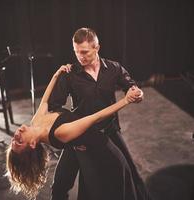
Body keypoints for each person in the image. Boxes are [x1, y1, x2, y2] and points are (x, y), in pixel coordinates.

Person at [5, 64, 142, 200]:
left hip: (89, 145)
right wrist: (126, 100)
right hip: (102, 152)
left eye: (14, 140)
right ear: (33, 144)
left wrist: (57, 74)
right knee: (90, 191)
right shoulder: (60, 133)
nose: (16, 134)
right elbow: (96, 117)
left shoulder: (36, 121)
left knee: (91, 190)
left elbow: (46, 98)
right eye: (20, 141)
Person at [48, 27, 150, 200]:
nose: (80, 56)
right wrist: (71, 131)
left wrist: (137, 94)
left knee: (131, 172)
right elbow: (54, 107)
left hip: (109, 130)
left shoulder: (113, 68)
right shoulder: (70, 74)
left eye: (85, 52)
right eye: (76, 52)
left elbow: (132, 87)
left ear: (97, 48)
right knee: (61, 183)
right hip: (82, 135)